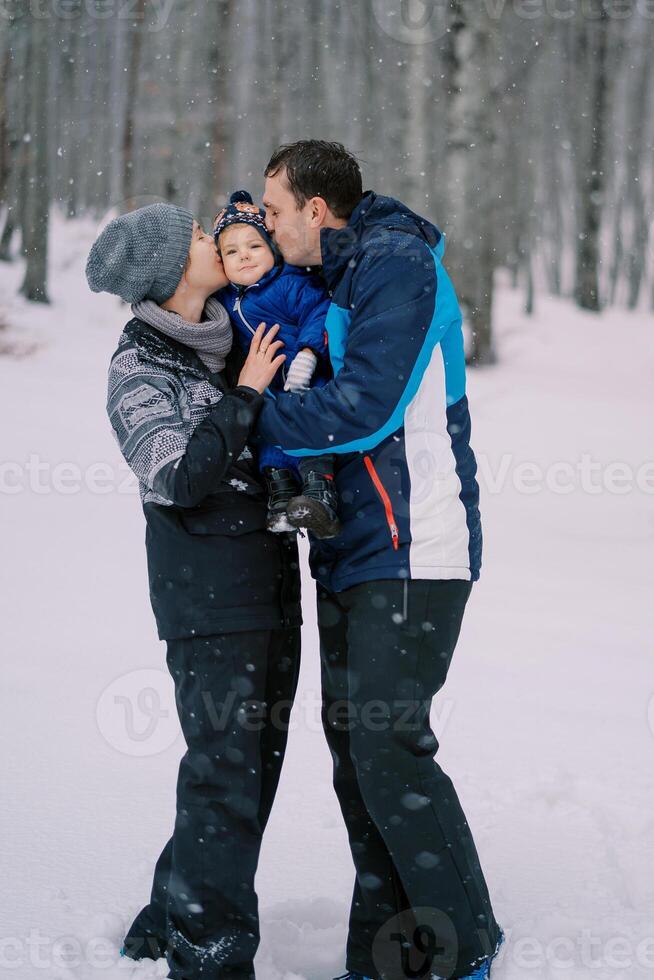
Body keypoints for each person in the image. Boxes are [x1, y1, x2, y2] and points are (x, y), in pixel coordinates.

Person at [255, 141, 505, 980]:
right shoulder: (337, 276)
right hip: (355, 552)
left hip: (416, 546)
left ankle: (463, 941)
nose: (268, 222)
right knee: (357, 755)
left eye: (276, 209)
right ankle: (387, 947)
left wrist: (248, 419)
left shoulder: (395, 263)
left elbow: (365, 408)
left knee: (390, 747)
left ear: (316, 211)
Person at [85, 203, 302, 980]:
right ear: (173, 269)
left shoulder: (219, 339)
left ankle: (165, 921)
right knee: (225, 777)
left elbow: (261, 253)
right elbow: (176, 475)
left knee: (247, 776)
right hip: (209, 605)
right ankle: (209, 961)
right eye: (201, 238)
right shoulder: (139, 364)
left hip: (268, 588)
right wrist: (244, 397)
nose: (216, 242)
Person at [214, 189, 340, 539]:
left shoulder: (288, 283)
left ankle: (320, 496)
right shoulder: (224, 299)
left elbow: (319, 311)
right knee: (269, 437)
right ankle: (282, 499)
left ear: (271, 247)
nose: (244, 257)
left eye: (254, 246)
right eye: (231, 252)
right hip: (269, 391)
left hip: (305, 380)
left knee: (309, 430)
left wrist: (309, 353)